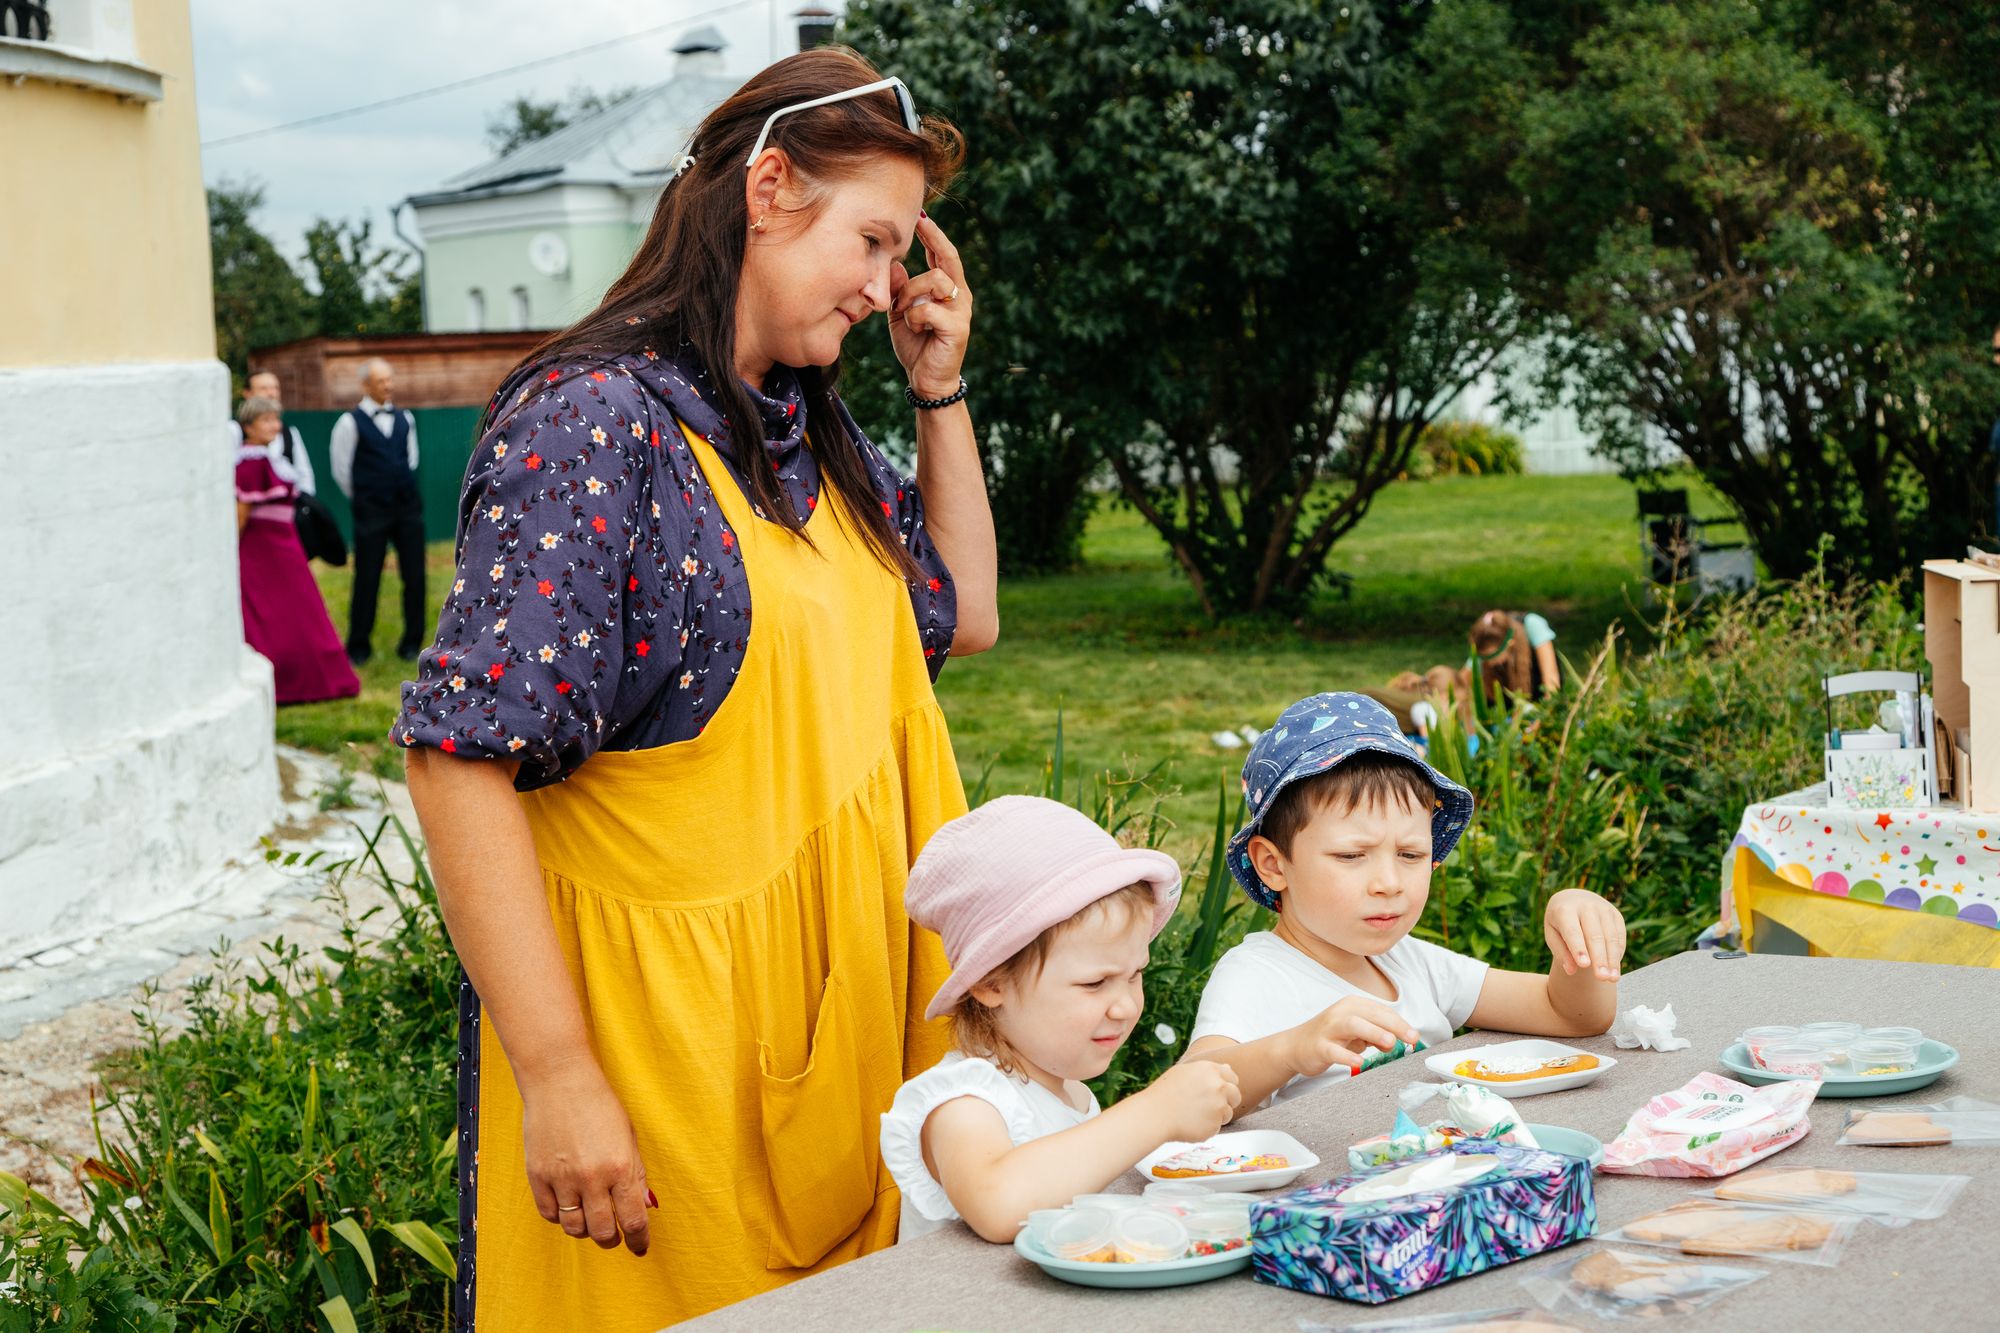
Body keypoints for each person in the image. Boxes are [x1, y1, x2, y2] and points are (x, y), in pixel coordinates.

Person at [394, 49, 999, 1329]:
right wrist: (559, 1075)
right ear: (767, 190)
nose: (884, 286)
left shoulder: (799, 426)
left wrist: (937, 387)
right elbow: (456, 759)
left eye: (899, 254)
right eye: (871, 241)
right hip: (669, 1072)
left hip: (838, 1056)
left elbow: (965, 612)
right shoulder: (591, 424)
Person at [1183, 693, 1625, 1112]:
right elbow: (1187, 1093)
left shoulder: (1408, 962)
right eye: (1351, 856)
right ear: (1273, 865)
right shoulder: (1258, 976)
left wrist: (1580, 941)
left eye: (1410, 855)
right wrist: (1290, 1050)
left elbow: (1570, 1015)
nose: (1389, 883)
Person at [879, 798, 1240, 1243]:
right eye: (1095, 983)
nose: (1125, 1006)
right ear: (991, 984)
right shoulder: (965, 1103)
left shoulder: (1068, 1092)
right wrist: (1157, 1111)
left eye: (1135, 974)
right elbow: (999, 1205)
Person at [233, 397, 359, 705]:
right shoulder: (249, 462)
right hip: (263, 549)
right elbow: (242, 512)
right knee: (277, 610)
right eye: (265, 420)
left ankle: (313, 672)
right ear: (248, 426)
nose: (274, 426)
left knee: (302, 607)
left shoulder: (269, 458)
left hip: (284, 542)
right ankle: (287, 678)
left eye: (276, 420)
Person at [330, 358, 424, 664]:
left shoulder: (405, 418)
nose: (388, 386)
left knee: (415, 576)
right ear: (366, 385)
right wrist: (366, 496)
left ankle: (413, 642)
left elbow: (411, 459)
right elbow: (341, 470)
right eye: (381, 381)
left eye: (389, 380)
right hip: (371, 511)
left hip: (407, 507)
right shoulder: (349, 423)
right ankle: (359, 646)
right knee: (367, 577)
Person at [229, 368, 317, 495]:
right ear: (247, 393)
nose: (271, 394)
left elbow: (304, 476)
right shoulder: (234, 431)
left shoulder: (289, 433)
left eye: (275, 388)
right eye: (263, 388)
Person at [1468, 609, 1560, 708]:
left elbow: (1552, 685)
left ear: (1510, 643)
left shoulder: (1532, 624)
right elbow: (1461, 682)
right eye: (1483, 658)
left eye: (1492, 657)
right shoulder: (1483, 643)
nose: (1489, 663)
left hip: (1539, 704)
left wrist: (1544, 713)